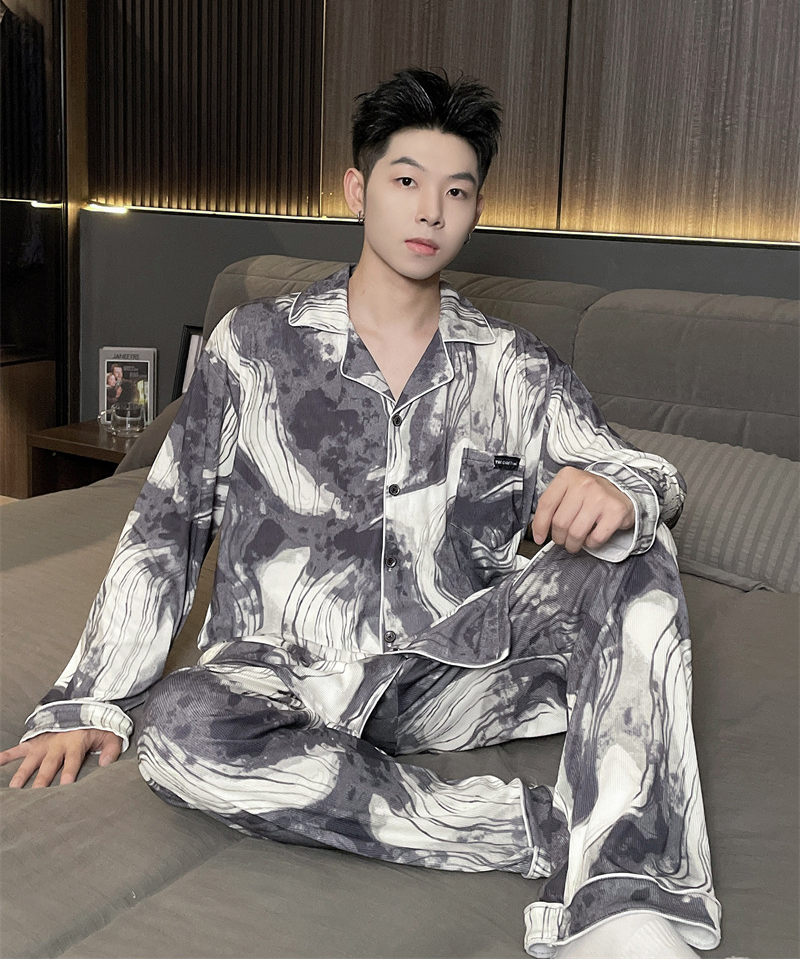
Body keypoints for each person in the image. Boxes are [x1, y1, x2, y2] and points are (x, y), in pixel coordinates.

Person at [0, 69, 721, 958]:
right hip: (282, 673)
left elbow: (635, 470)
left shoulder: (513, 366)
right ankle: (546, 827)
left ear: (475, 209)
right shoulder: (253, 345)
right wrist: (89, 698)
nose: (430, 211)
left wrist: (622, 489)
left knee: (636, 548)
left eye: (457, 192)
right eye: (407, 181)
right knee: (179, 732)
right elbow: (167, 524)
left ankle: (622, 902)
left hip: (449, 672)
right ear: (357, 189)